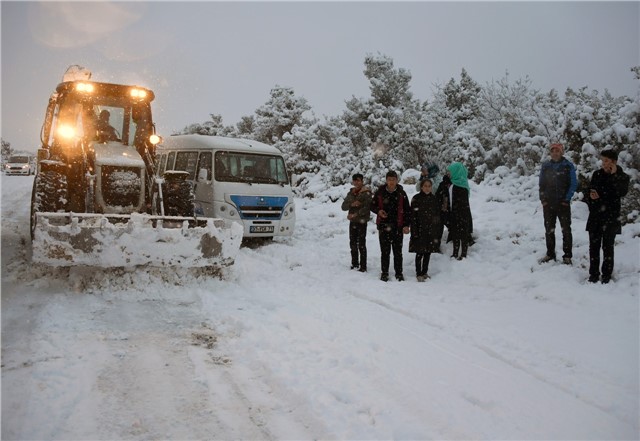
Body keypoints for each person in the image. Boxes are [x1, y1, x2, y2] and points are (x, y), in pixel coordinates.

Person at [584, 148, 630, 284]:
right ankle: (593, 274)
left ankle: (606, 275)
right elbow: (589, 191)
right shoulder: (597, 174)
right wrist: (591, 196)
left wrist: (614, 176)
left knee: (608, 247)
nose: (603, 163)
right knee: (593, 247)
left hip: (610, 217)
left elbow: (620, 192)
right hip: (595, 216)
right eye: (602, 160)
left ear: (614, 162)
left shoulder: (622, 177)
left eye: (606, 160)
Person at [538, 142, 577, 264]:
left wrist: (567, 199)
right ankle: (550, 253)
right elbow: (541, 184)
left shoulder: (568, 165)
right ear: (550, 152)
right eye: (553, 151)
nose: (555, 153)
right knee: (549, 229)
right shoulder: (546, 166)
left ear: (562, 152)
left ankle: (567, 256)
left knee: (566, 230)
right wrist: (543, 199)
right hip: (549, 203)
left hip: (563, 203)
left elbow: (573, 184)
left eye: (557, 151)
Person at [371, 170, 411, 282]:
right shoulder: (380, 192)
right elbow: (372, 205)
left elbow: (408, 210)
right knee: (385, 252)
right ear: (386, 180)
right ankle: (384, 273)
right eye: (389, 179)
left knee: (398, 252)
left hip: (398, 226)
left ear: (397, 180)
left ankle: (399, 273)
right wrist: (379, 211)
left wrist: (406, 225)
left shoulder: (401, 193)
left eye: (393, 179)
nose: (391, 182)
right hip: (383, 226)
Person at [409, 178, 441, 281]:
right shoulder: (416, 198)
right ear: (421, 187)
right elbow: (413, 216)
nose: (427, 188)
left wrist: (436, 229)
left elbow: (437, 216)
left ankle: (425, 272)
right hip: (419, 229)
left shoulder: (434, 199)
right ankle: (419, 273)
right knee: (419, 252)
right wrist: (414, 231)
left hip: (430, 230)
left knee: (428, 252)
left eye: (429, 186)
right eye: (425, 186)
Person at [341, 173, 372, 272]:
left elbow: (367, 207)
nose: (356, 182)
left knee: (361, 243)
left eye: (358, 180)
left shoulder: (366, 192)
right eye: (355, 180)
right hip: (353, 222)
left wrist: (356, 214)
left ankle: (363, 266)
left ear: (362, 181)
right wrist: (352, 204)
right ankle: (354, 263)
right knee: (353, 243)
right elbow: (343, 207)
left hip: (361, 221)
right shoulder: (351, 192)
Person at [445, 162, 472, 260]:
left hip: (459, 213)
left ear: (456, 172)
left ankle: (461, 253)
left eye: (450, 172)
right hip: (460, 213)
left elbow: (456, 202)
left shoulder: (457, 185)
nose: (449, 174)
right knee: (458, 233)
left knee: (460, 234)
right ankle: (458, 253)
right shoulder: (461, 184)